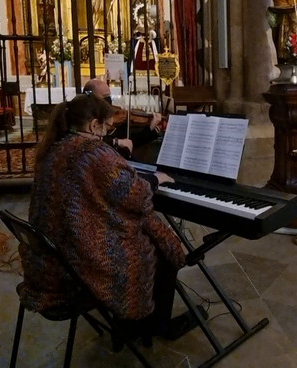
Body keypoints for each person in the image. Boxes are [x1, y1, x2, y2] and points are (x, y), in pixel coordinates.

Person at [18, 94, 201, 341]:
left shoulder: (55, 147)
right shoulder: (93, 152)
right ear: (93, 125)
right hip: (73, 266)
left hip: (49, 257)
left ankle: (135, 325)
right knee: (158, 250)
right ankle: (146, 328)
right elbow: (133, 195)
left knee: (147, 237)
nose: (107, 132)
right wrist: (156, 179)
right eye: (106, 126)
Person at [83, 78, 162, 159]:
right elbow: (93, 142)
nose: (109, 101)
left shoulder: (116, 124)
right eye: (105, 97)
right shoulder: (86, 120)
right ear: (91, 97)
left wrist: (151, 127)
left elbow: (131, 142)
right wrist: (117, 142)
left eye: (109, 96)